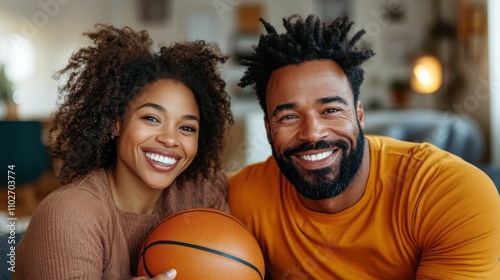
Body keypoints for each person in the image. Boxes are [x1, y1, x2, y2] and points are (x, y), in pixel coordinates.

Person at [228, 14, 500, 279]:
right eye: (289, 116)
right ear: (268, 129)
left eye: (331, 109)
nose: (312, 133)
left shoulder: (450, 193)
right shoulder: (244, 196)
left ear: (359, 115)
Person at [14, 24, 233, 279]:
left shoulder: (201, 196)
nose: (170, 139)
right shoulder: (70, 215)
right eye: (151, 118)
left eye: (186, 127)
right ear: (115, 122)